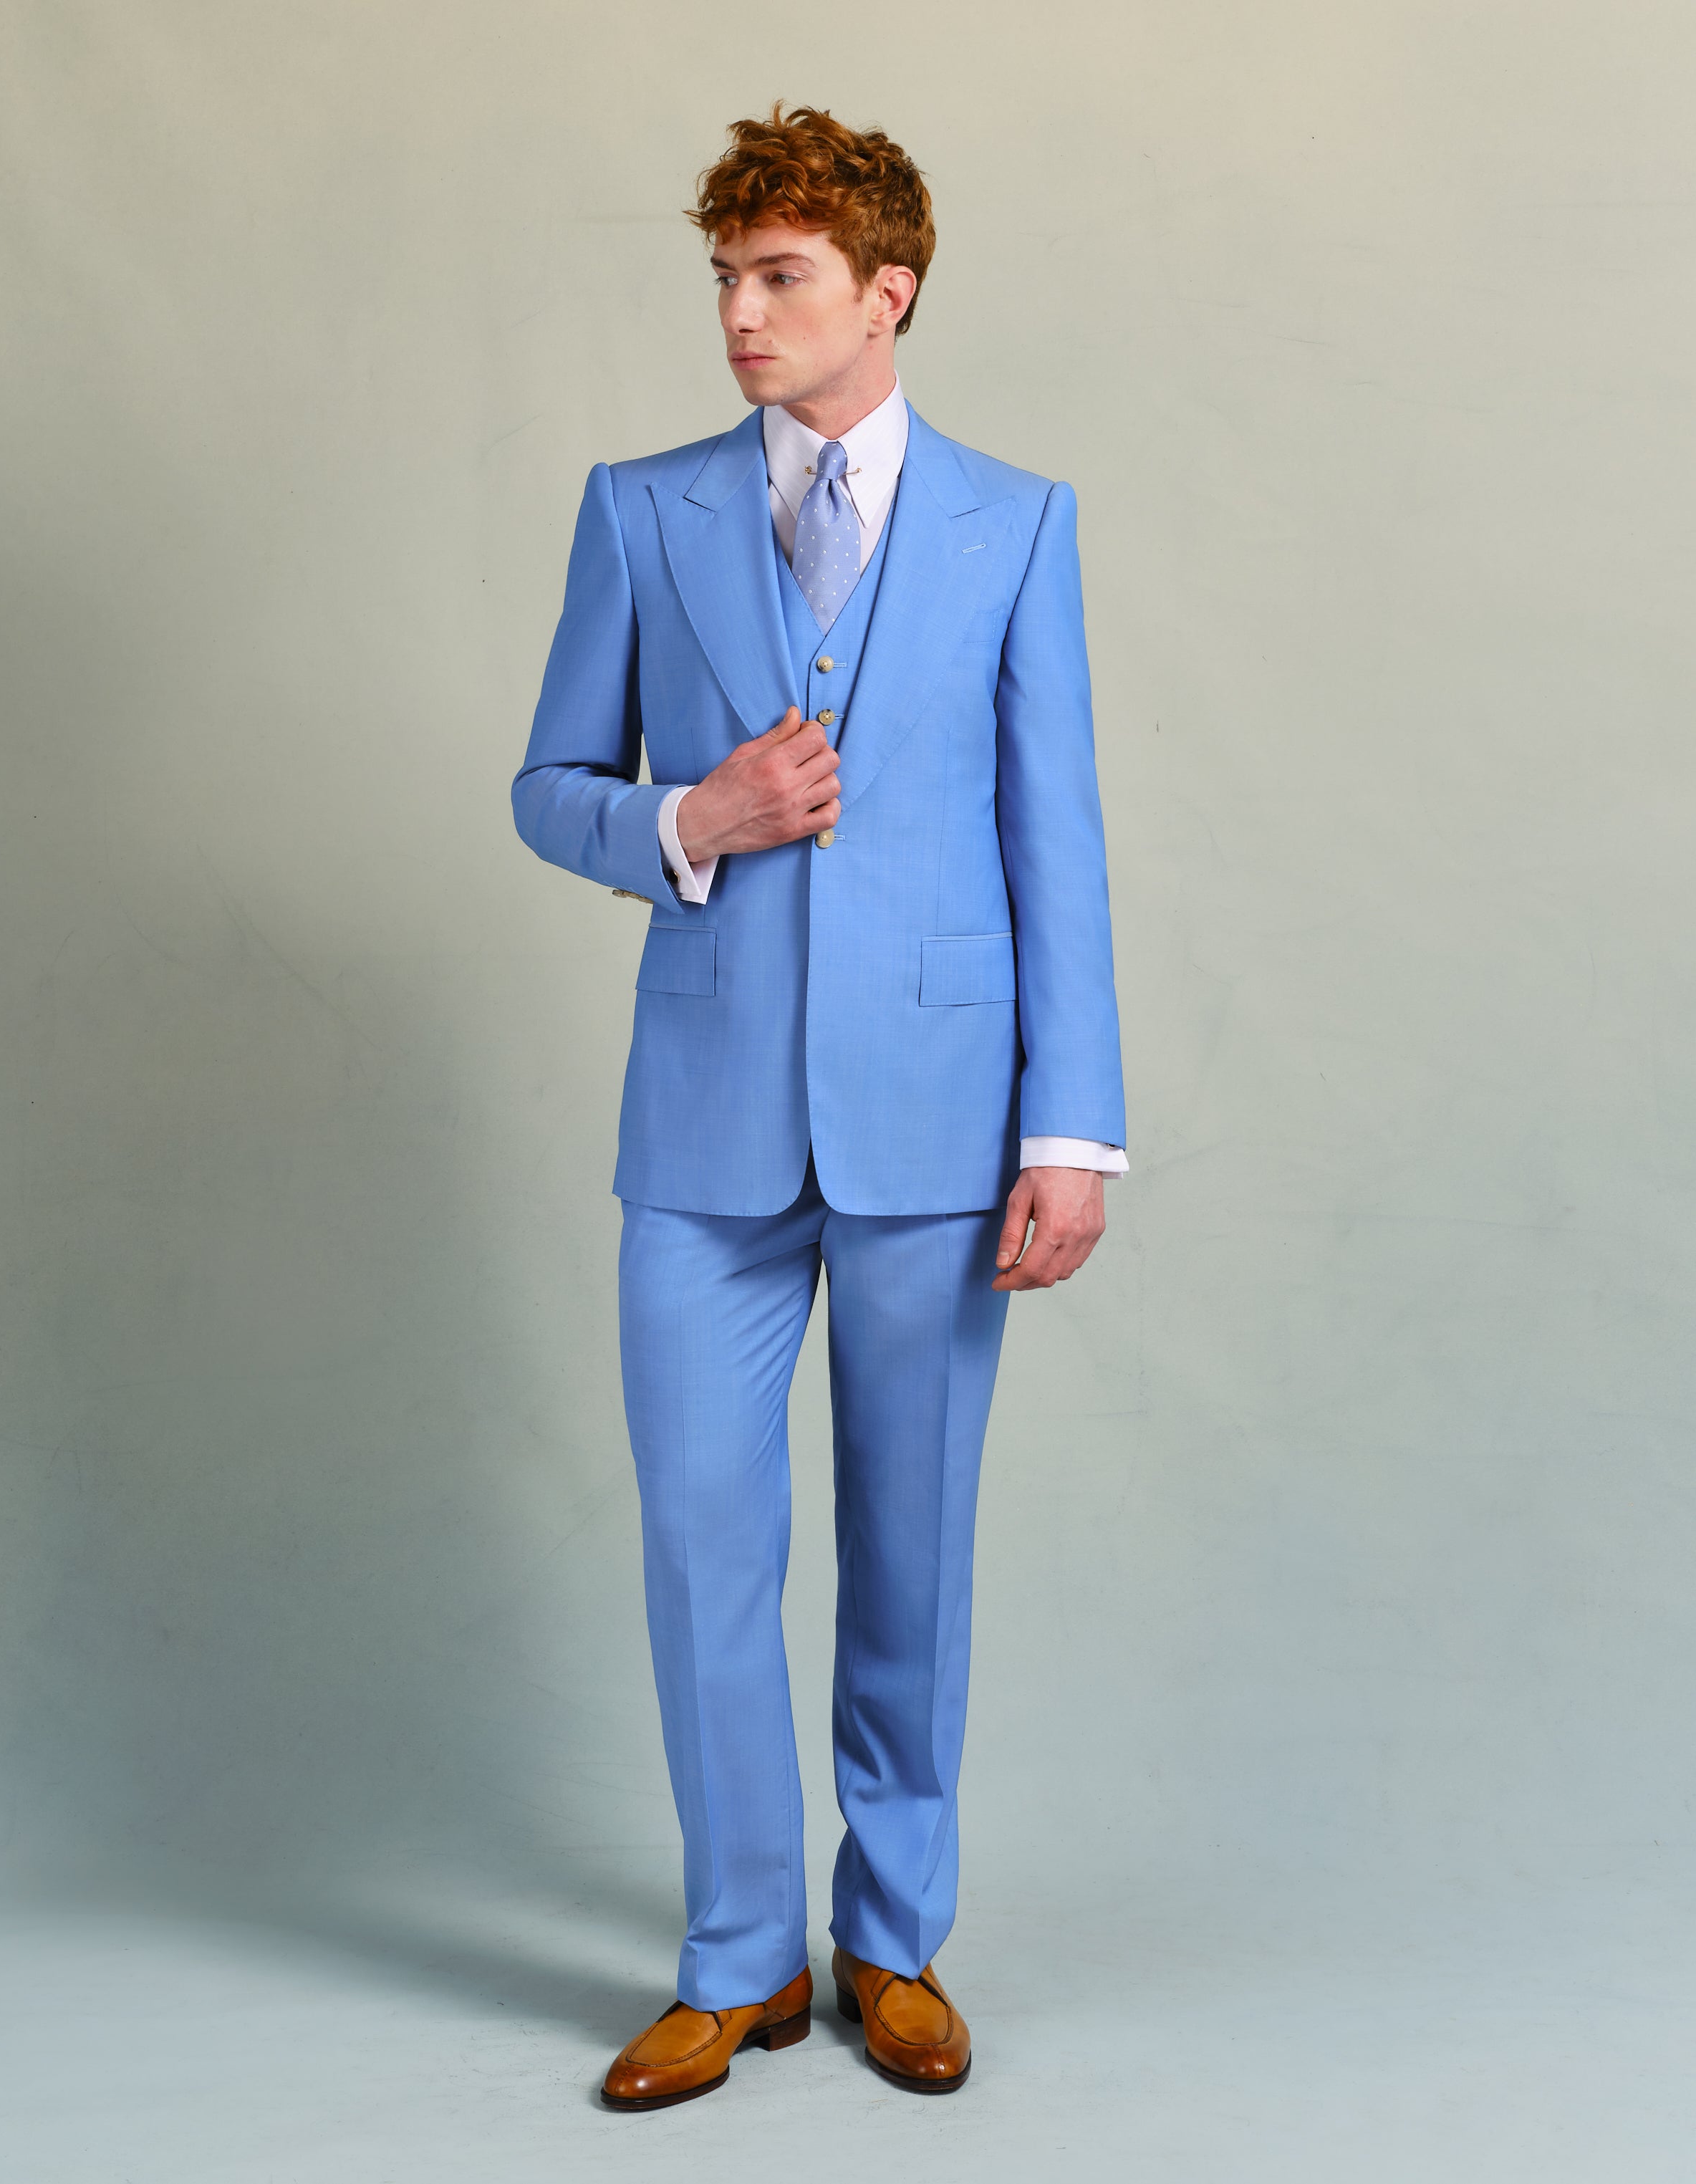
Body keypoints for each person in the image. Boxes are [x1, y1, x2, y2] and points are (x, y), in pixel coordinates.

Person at [511, 103, 1125, 2110]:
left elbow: (1056, 842)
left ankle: (896, 1939)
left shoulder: (1014, 523)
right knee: (704, 1548)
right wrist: (691, 817)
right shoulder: (642, 509)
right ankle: (739, 1953)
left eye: (780, 277)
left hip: (938, 1119)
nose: (739, 315)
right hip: (703, 1128)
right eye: (724, 277)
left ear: (889, 292)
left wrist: (1070, 1133)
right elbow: (546, 788)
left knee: (910, 1550)